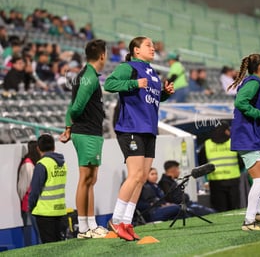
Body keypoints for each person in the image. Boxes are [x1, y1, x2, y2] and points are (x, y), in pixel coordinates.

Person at [104, 36, 174, 241]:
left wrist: (165, 94)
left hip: (149, 129)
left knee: (142, 178)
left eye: (153, 45)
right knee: (134, 175)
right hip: (131, 127)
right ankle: (115, 220)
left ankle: (127, 222)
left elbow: (152, 97)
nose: (153, 48)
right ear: (136, 50)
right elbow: (109, 83)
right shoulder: (129, 67)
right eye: (148, 45)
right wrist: (134, 83)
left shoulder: (152, 72)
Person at [59, 39, 109, 239]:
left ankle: (91, 224)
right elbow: (76, 106)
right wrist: (71, 125)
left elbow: (72, 105)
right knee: (85, 179)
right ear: (102, 56)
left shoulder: (86, 75)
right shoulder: (88, 77)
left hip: (90, 131)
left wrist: (69, 126)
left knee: (91, 179)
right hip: (87, 132)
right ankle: (83, 228)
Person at [228, 53, 260, 231]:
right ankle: (249, 221)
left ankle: (257, 213)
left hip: (252, 137)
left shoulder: (256, 84)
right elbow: (240, 102)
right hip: (247, 137)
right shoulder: (254, 83)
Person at [28, 134, 67, 243]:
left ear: (38, 148)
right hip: (60, 211)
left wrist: (31, 206)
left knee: (48, 249)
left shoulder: (42, 164)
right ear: (54, 147)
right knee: (60, 247)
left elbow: (34, 190)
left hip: (45, 214)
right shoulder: (62, 164)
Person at [198, 122, 241, 212]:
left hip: (215, 181)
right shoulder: (233, 142)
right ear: (226, 131)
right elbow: (241, 161)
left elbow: (202, 162)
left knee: (219, 208)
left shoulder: (207, 144)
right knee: (234, 207)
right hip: (233, 179)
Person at [17, 141, 41, 246]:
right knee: (33, 234)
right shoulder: (28, 164)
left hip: (35, 203)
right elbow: (23, 186)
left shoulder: (33, 163)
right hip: (29, 203)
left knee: (39, 233)